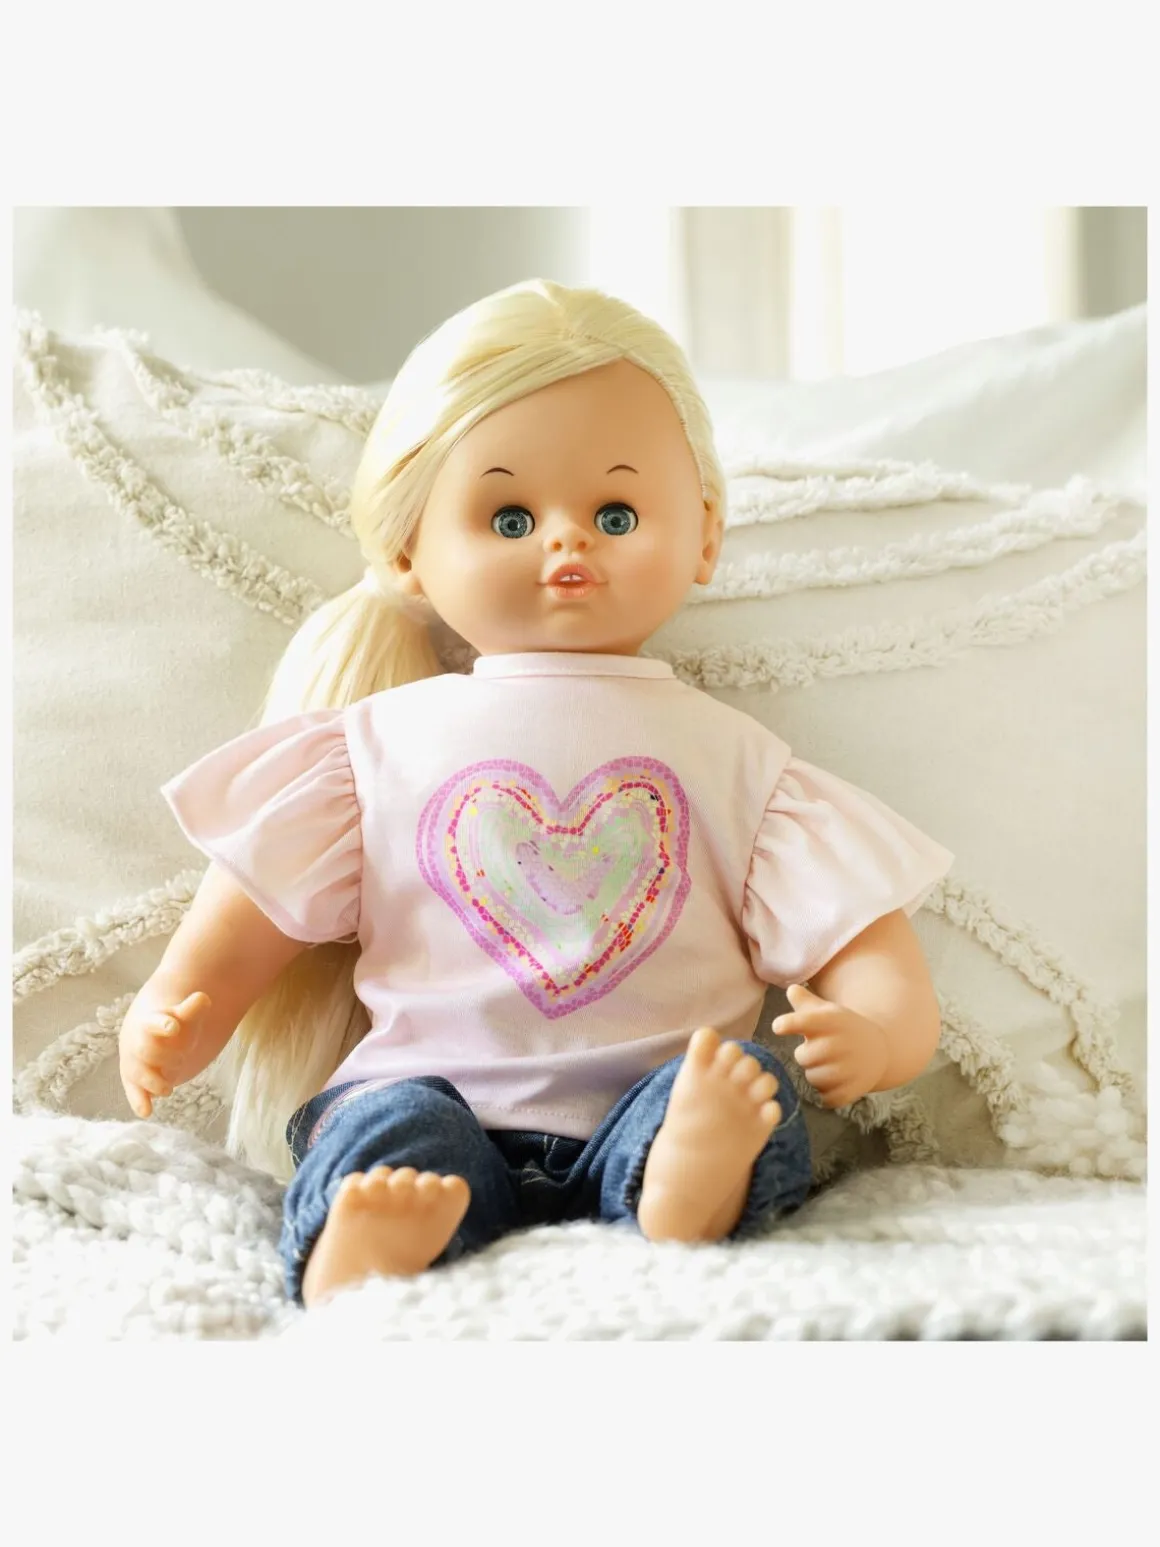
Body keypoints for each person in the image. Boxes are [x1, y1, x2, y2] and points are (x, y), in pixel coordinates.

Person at [118, 279, 953, 1309]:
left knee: (739, 1086)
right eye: (510, 515)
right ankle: (368, 1231)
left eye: (615, 513)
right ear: (408, 551)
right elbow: (241, 926)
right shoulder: (369, 748)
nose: (568, 542)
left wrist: (873, 1036)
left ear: (703, 534)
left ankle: (678, 1177)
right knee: (387, 1121)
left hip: (645, 1104)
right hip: (435, 1099)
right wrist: (176, 1012)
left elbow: (875, 963)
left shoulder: (742, 765)